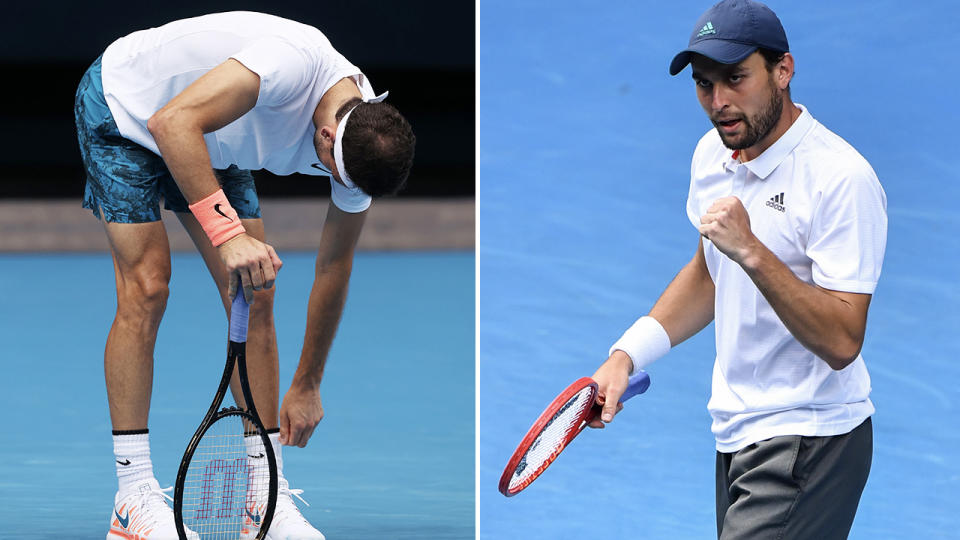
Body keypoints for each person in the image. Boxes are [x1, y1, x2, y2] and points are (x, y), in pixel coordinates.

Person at [74, 11, 415, 540]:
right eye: (328, 170)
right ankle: (132, 496)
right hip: (127, 112)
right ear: (326, 137)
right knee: (148, 288)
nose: (331, 180)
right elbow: (171, 122)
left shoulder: (361, 146)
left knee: (254, 293)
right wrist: (229, 235)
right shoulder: (287, 65)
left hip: (208, 137)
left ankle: (265, 498)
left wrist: (308, 383)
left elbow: (334, 265)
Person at [589, 1, 886, 538]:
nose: (719, 102)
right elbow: (707, 275)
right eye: (704, 84)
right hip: (735, 432)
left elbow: (843, 340)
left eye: (736, 78)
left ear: (783, 71)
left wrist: (751, 249)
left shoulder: (841, 179)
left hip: (809, 439)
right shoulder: (712, 156)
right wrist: (626, 355)